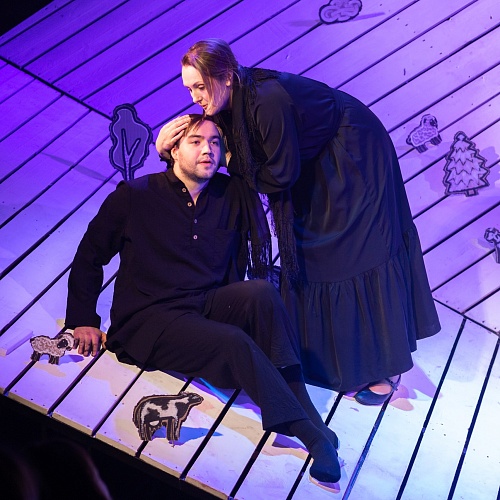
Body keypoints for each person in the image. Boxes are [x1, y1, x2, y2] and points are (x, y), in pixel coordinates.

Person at [156, 39, 442, 405]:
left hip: (352, 150)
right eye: (189, 89)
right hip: (312, 158)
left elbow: (278, 174)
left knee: (354, 251)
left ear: (226, 76)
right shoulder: (226, 106)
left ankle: (381, 367)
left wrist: (230, 159)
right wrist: (165, 149)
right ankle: (330, 357)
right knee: (313, 251)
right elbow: (208, 160)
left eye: (200, 86)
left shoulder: (266, 101)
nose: (195, 97)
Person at [65, 115, 341, 484]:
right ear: (173, 150)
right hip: (151, 317)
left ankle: (310, 419)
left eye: (214, 142)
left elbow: (257, 168)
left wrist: (226, 152)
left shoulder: (230, 194)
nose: (207, 149)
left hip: (204, 303)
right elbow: (90, 255)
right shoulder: (136, 195)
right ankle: (311, 435)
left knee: (261, 292)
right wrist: (83, 318)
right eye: (195, 141)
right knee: (233, 341)